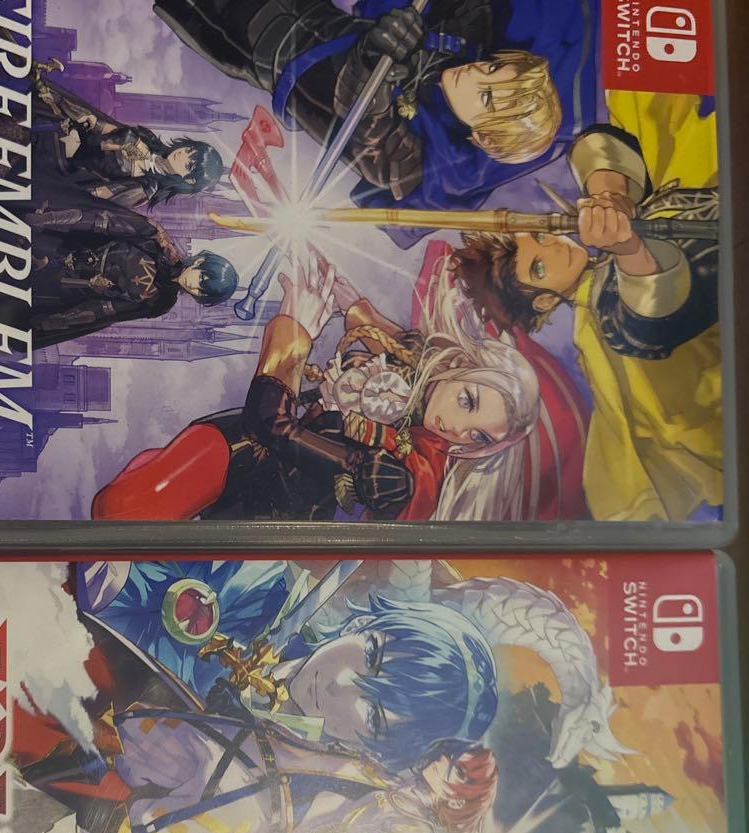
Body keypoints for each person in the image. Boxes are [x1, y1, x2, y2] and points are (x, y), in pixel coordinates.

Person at [92, 250, 541, 521]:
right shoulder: (421, 370)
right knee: (143, 487)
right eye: (467, 401)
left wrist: (294, 335)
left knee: (128, 511)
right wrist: (349, 304)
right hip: (241, 448)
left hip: (266, 500)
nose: (457, 429)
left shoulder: (403, 476)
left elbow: (272, 426)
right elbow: (400, 344)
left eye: (479, 437)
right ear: (458, 367)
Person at [451, 92, 721, 520]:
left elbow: (596, 145)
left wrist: (610, 193)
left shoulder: (603, 248)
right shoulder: (598, 316)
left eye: (541, 239)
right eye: (539, 267)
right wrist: (629, 249)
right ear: (544, 300)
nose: (554, 246)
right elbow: (648, 318)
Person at [154, 0, 596, 233]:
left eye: (487, 97)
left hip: (261, 45)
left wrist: (372, 63)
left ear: (486, 137)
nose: (479, 72)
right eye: (494, 69)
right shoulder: (468, 37)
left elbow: (369, 131)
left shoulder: (413, 163)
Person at [28, 193, 238, 348]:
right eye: (201, 278)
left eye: (201, 291)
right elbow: (105, 222)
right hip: (61, 243)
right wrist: (50, 220)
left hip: (62, 287)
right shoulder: (158, 241)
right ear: (200, 262)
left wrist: (62, 321)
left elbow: (109, 310)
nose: (194, 285)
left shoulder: (162, 302)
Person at [32, 60, 224, 209]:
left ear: (189, 180)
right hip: (57, 131)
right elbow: (96, 123)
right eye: (189, 150)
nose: (182, 154)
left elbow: (90, 195)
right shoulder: (148, 139)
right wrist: (56, 100)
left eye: (189, 164)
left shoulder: (144, 188)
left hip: (52, 165)